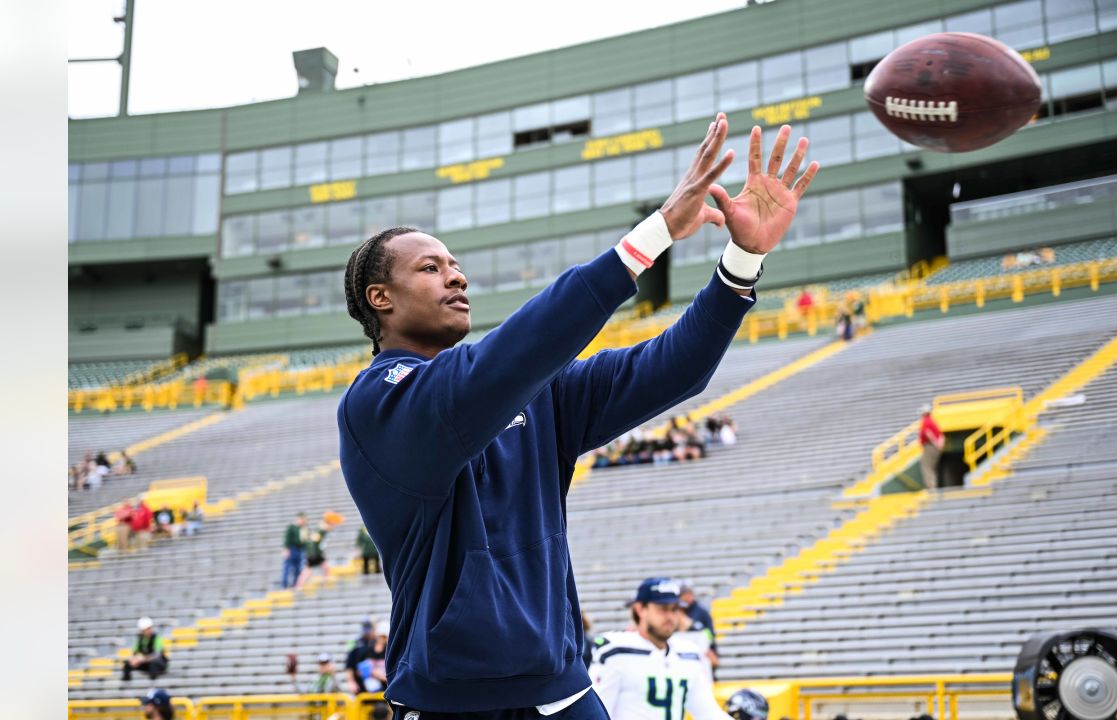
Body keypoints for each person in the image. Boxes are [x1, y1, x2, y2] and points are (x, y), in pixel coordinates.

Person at [337, 113, 818, 718]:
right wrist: (652, 236)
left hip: (562, 688)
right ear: (379, 299)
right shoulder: (377, 401)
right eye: (429, 267)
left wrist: (741, 262)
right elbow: (497, 367)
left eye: (454, 263)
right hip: (449, 701)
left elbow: (671, 369)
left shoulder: (529, 391)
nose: (455, 274)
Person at [588, 578, 732, 720]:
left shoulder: (688, 653)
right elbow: (595, 713)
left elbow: (707, 713)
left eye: (674, 609)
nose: (670, 616)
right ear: (640, 609)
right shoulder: (616, 650)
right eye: (662, 609)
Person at [678, 583, 720, 678]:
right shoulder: (677, 610)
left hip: (702, 655)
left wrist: (691, 625)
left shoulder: (702, 612)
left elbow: (710, 634)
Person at [122, 617, 168, 681]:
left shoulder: (157, 638)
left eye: (148, 628)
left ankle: (153, 682)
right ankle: (126, 682)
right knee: (127, 664)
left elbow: (157, 655)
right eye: (145, 629)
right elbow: (134, 653)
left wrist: (144, 659)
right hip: (146, 663)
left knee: (154, 664)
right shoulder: (140, 639)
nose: (147, 631)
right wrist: (134, 660)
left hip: (158, 664)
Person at [296, 517, 332, 589]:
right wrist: (312, 554)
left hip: (317, 554)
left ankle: (325, 583)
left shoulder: (322, 533)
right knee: (308, 571)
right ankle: (298, 586)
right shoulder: (320, 533)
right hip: (314, 555)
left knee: (326, 567)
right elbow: (313, 543)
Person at [345, 620, 378, 694]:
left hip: (377, 682)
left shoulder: (377, 643)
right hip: (360, 684)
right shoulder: (356, 644)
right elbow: (349, 665)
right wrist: (351, 681)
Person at [918, 404, 945, 491]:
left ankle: (931, 487)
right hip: (935, 447)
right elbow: (941, 436)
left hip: (930, 445)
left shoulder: (926, 421)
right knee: (932, 467)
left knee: (926, 466)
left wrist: (935, 443)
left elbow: (927, 433)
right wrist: (940, 445)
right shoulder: (933, 421)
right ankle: (933, 486)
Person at [282, 512, 307, 589]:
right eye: (301, 519)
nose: (302, 521)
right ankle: (284, 585)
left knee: (297, 569)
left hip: (299, 550)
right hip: (292, 549)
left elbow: (304, 541)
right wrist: (286, 549)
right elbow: (287, 539)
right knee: (287, 568)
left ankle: (295, 584)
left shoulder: (303, 529)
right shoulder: (292, 527)